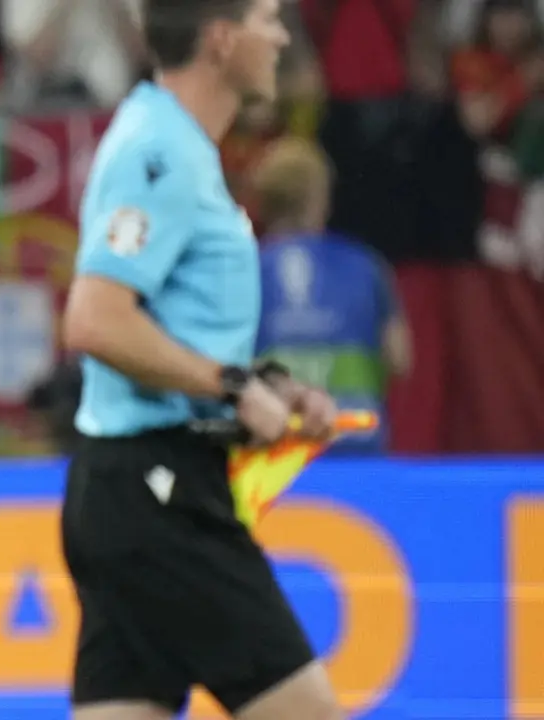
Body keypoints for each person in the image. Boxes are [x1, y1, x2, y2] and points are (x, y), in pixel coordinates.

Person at [59, 1, 344, 719]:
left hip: (128, 490)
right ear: (221, 40)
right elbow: (95, 320)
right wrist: (232, 386)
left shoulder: (172, 144)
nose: (281, 38)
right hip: (160, 493)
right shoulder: (161, 153)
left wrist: (269, 386)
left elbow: (167, 325)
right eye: (270, 20)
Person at [252, 137, 412, 456]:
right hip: (355, 440)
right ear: (319, 198)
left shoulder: (245, 270)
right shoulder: (367, 265)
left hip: (277, 451)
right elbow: (401, 359)